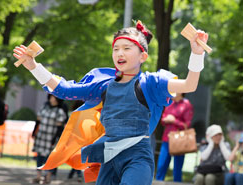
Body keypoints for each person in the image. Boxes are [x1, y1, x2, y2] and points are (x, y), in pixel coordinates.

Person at [13, 20, 208, 185]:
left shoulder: (152, 83)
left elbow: (189, 85)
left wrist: (197, 54)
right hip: (108, 156)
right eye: (116, 49)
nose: (119, 53)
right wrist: (33, 66)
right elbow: (64, 89)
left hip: (137, 157)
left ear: (143, 56)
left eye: (126, 48)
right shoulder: (104, 85)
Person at [156, 93, 194, 182]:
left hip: (179, 140)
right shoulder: (169, 102)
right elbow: (163, 120)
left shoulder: (187, 104)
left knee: (177, 169)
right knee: (161, 166)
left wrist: (174, 121)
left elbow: (186, 125)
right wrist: (166, 120)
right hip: (166, 139)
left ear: (181, 92)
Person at [32, 94, 67, 184]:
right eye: (51, 97)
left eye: (53, 97)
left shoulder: (59, 111)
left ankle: (48, 177)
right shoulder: (44, 107)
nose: (51, 98)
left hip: (51, 137)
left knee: (49, 158)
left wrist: (55, 138)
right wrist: (34, 132)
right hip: (41, 136)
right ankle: (38, 176)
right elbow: (38, 121)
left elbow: (60, 128)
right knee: (39, 156)